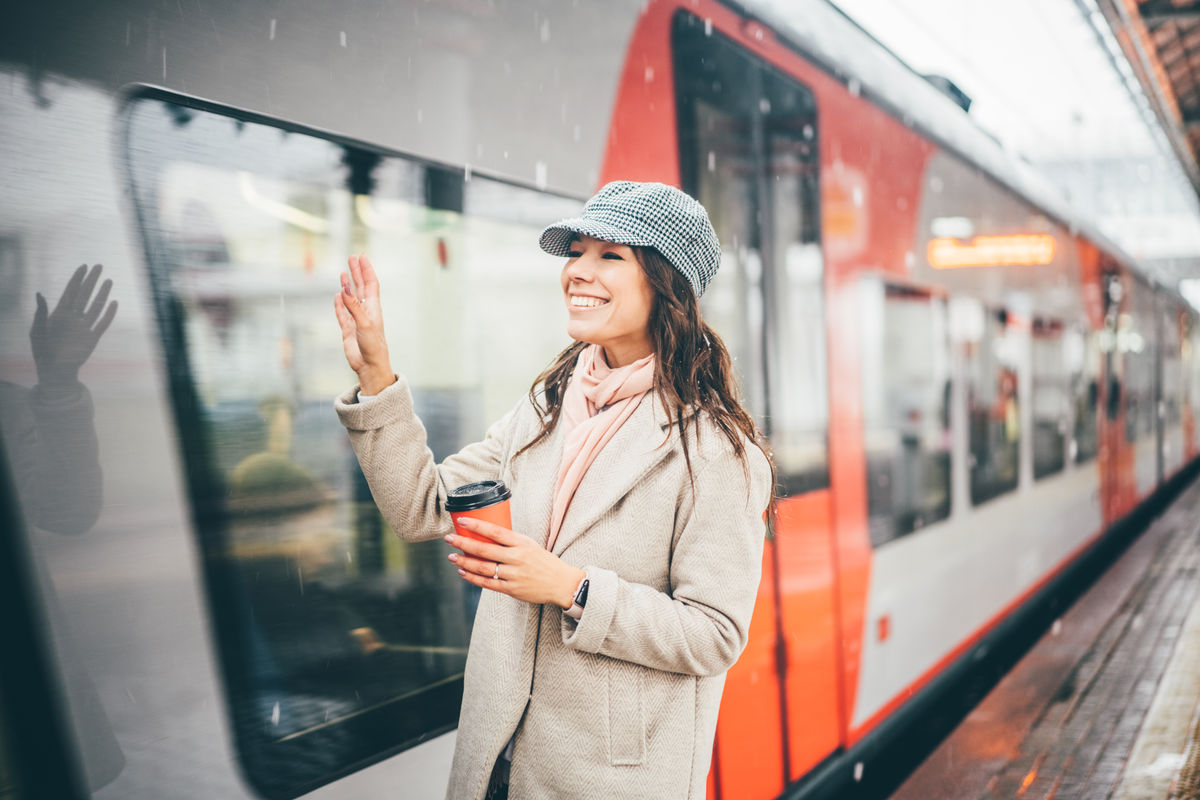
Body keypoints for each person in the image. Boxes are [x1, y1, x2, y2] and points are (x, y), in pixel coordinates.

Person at [332, 181, 773, 800]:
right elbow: (421, 506)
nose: (578, 271)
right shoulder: (543, 411)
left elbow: (715, 634)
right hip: (496, 761)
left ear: (668, 285)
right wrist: (376, 373)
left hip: (608, 779)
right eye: (577, 252)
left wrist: (573, 588)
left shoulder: (717, 455)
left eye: (610, 256)